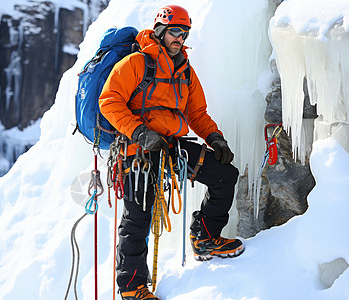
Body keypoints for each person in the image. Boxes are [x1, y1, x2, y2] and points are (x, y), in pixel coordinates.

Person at [99, 5, 244, 300]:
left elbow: (197, 113)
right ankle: (131, 287)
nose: (179, 38)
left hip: (170, 146)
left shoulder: (185, 70)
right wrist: (140, 132)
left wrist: (216, 139)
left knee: (224, 174)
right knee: (138, 216)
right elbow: (110, 101)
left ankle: (205, 236)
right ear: (161, 31)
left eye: (184, 33)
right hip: (137, 149)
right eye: (175, 32)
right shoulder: (136, 63)